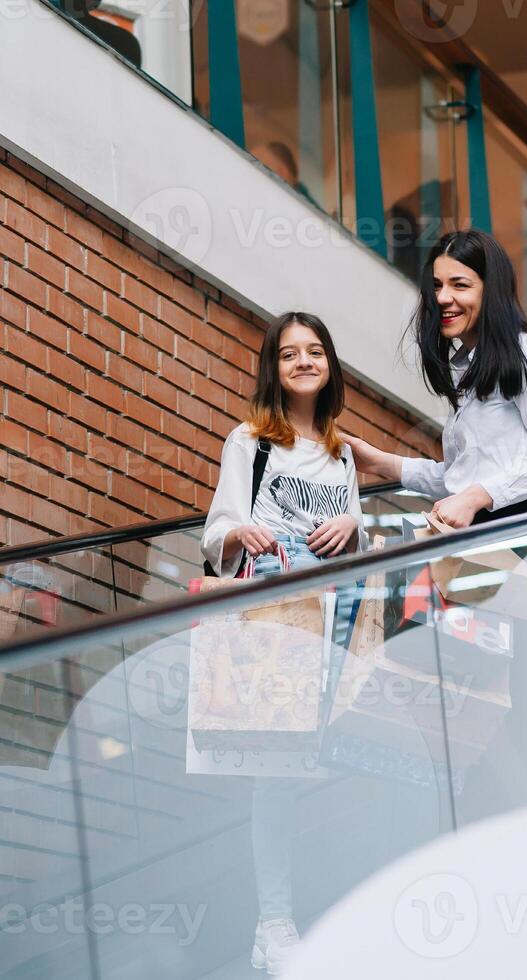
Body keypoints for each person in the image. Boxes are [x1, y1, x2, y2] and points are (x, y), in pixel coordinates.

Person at [201, 311, 365, 975]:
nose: (303, 361)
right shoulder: (249, 441)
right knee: (277, 772)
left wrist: (352, 519)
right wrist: (244, 534)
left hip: (334, 618)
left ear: (329, 364)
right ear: (272, 367)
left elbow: (356, 544)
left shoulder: (341, 452)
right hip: (274, 617)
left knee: (336, 759)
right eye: (289, 353)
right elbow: (218, 529)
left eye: (314, 351)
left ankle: (334, 906)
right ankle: (274, 921)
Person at [347, 229, 527, 528]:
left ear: (491, 289)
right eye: (437, 285)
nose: (443, 298)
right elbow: (464, 477)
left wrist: (474, 498)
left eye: (460, 285)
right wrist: (381, 462)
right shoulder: (468, 368)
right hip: (482, 530)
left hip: (521, 528)